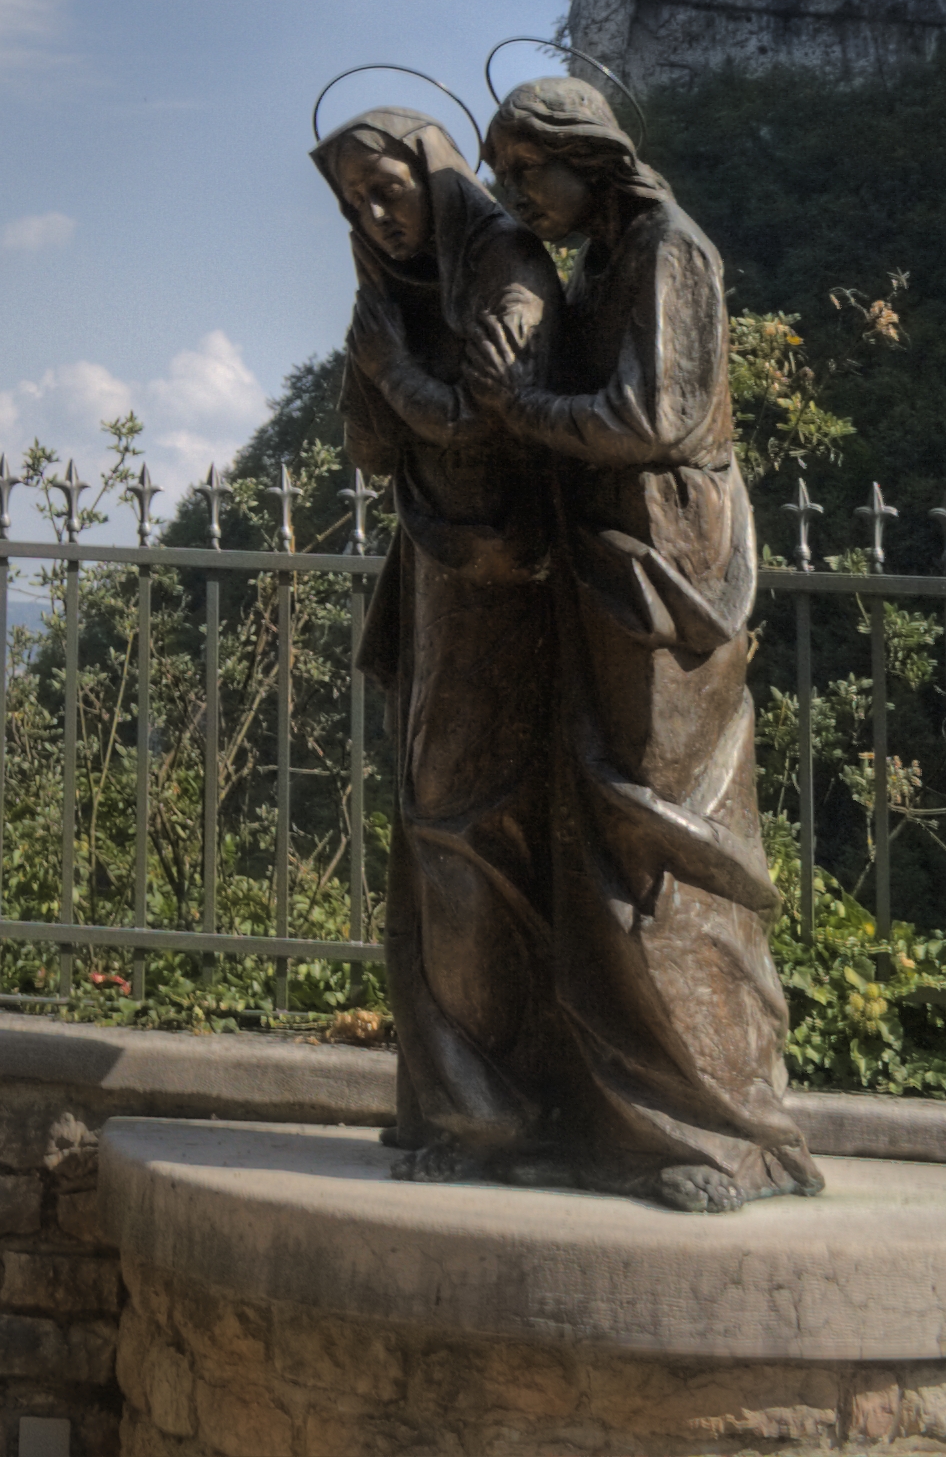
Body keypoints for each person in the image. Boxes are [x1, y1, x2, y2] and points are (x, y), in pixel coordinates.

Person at [478, 74, 819, 1210]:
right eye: (502, 172)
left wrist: (520, 405)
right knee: (612, 823)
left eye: (532, 166)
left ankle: (726, 1132)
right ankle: (634, 1113)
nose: (515, 190)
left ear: (595, 154)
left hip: (667, 558)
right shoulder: (605, 261)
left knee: (664, 832)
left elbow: (651, 419)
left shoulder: (669, 248)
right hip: (614, 548)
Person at [316, 107, 566, 1181]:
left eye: (388, 188)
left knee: (465, 826)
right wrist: (377, 352)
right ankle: (443, 1096)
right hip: (433, 573)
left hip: (500, 579)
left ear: (434, 168)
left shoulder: (510, 263)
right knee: (429, 836)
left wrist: (397, 368)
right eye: (355, 204)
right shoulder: (397, 292)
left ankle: (493, 1114)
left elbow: (481, 412)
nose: (375, 213)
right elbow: (371, 448)